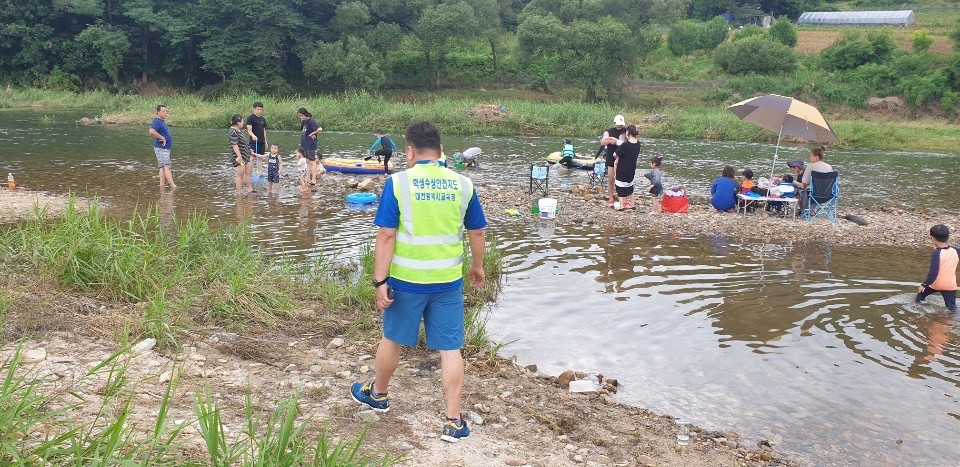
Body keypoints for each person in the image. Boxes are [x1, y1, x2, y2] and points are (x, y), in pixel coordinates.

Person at [351, 121, 487, 444]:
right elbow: (477, 232)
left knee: (392, 338)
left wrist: (379, 281)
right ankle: (453, 422)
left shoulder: (398, 184)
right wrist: (478, 267)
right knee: (450, 348)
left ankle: (379, 395)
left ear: (409, 151)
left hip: (406, 281)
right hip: (447, 282)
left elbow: (386, 235)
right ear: (441, 152)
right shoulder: (463, 184)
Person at [917, 224, 960, 312]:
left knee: (920, 296)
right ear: (948, 237)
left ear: (932, 238)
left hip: (936, 284)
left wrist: (924, 284)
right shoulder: (956, 251)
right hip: (950, 286)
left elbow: (933, 273)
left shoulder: (937, 253)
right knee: (952, 308)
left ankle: (920, 311)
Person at [612, 125, 641, 211]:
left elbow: (615, 154)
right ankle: (632, 204)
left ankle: (621, 206)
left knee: (619, 186)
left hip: (622, 168)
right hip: (632, 168)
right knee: (630, 185)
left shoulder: (625, 144)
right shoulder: (638, 144)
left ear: (628, 133)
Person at [601, 115, 627, 206]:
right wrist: (609, 141)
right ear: (615, 123)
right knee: (611, 179)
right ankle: (611, 198)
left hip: (623, 157)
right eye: (618, 124)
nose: (620, 126)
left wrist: (617, 141)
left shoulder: (626, 131)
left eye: (621, 124)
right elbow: (602, 142)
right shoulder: (609, 131)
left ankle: (625, 198)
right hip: (611, 157)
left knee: (624, 179)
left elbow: (628, 142)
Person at [149, 104, 176, 190]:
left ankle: (162, 186)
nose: (165, 113)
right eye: (163, 111)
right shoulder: (156, 121)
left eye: (166, 111)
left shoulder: (162, 121)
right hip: (161, 148)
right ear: (158, 112)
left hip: (164, 148)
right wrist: (162, 138)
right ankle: (173, 186)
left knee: (162, 168)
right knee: (167, 167)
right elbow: (151, 131)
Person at [229, 114, 255, 195]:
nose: (243, 123)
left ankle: (250, 190)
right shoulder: (233, 131)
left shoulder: (238, 131)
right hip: (239, 158)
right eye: (242, 121)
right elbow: (234, 145)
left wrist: (249, 151)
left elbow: (243, 143)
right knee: (240, 176)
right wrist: (239, 156)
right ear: (237, 123)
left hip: (245, 156)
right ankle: (239, 193)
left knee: (247, 173)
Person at [297, 107, 323, 185]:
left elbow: (320, 129)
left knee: (312, 162)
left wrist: (313, 133)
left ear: (305, 114)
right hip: (304, 144)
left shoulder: (311, 121)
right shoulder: (304, 122)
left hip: (310, 145)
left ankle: (314, 179)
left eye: (301, 116)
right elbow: (303, 131)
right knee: (307, 162)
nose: (300, 117)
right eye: (299, 116)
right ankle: (308, 178)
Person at [246, 102, 268, 180]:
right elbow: (249, 130)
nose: (259, 111)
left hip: (261, 141)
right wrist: (253, 135)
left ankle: (259, 173)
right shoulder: (250, 118)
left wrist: (265, 141)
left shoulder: (262, 119)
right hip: (253, 141)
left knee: (260, 157)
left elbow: (264, 130)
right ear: (254, 109)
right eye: (258, 109)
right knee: (252, 157)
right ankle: (249, 173)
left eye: (261, 109)